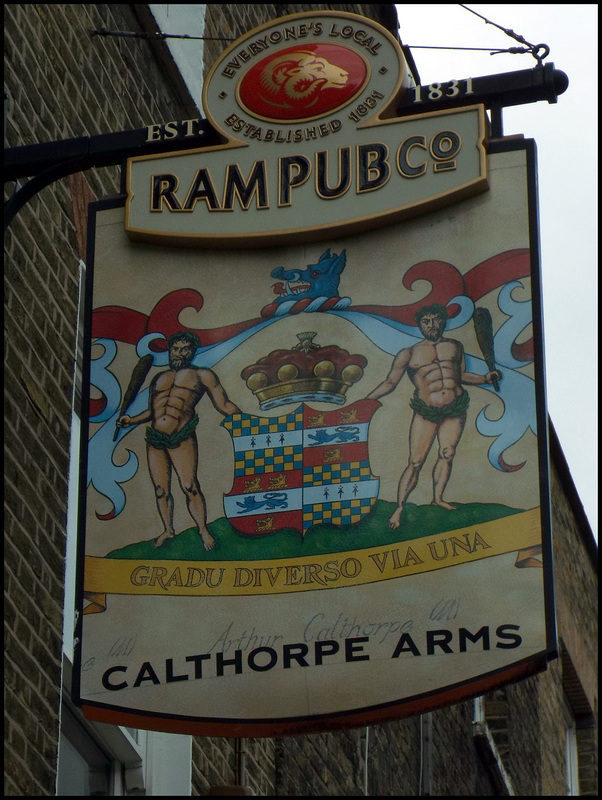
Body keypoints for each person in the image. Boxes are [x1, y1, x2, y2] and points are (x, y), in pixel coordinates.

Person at [367, 304, 501, 530]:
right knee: (416, 461)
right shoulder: (408, 353)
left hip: (455, 408)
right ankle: (400, 507)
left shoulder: (455, 346)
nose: (431, 325)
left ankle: (437, 498)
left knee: (447, 453)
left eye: (435, 320)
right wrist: (367, 400)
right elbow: (390, 382)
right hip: (426, 411)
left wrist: (486, 378)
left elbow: (462, 376)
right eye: (426, 321)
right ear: (419, 325)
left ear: (443, 322)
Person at [116, 331, 240, 549]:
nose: (179, 353)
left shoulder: (202, 375)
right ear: (169, 350)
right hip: (156, 438)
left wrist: (244, 420)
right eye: (175, 349)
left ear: (192, 351)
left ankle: (203, 530)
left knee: (189, 485)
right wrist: (130, 420)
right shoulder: (159, 379)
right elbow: (153, 411)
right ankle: (168, 530)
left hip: (181, 436)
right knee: (160, 490)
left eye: (185, 349)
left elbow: (224, 405)